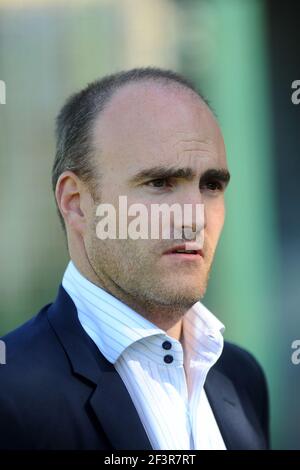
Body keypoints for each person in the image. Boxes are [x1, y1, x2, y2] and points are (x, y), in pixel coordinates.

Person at [0, 68, 269, 450]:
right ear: (76, 204)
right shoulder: (11, 395)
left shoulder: (241, 378)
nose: (195, 218)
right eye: (159, 183)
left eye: (211, 185)